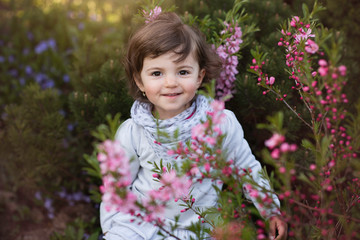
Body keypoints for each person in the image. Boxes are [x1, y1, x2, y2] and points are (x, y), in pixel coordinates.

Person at [100, 11, 287, 240]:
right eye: (157, 73)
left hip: (199, 227)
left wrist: (270, 210)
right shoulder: (133, 131)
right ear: (140, 81)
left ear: (200, 77)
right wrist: (110, 227)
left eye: (183, 72)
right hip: (142, 224)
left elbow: (246, 168)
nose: (171, 83)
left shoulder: (218, 123)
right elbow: (117, 186)